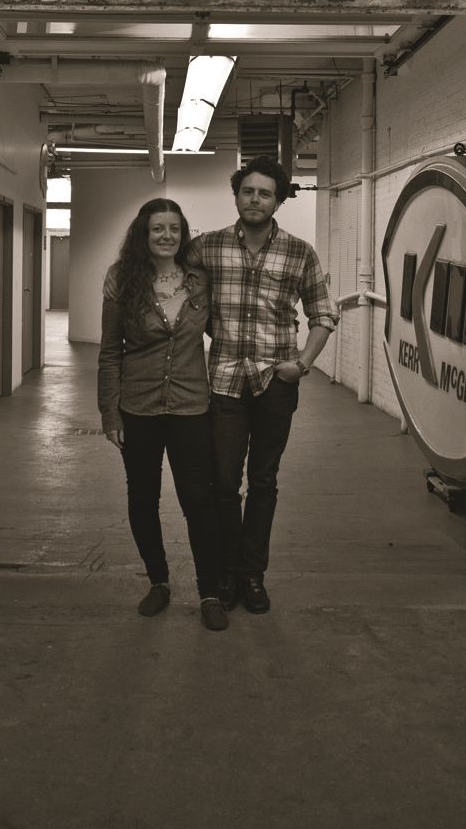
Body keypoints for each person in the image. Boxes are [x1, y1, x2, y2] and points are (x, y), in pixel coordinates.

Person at [187, 155, 336, 615]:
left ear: (278, 201)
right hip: (225, 381)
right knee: (224, 484)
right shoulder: (205, 248)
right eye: (248, 191)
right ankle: (227, 574)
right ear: (236, 196)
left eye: (265, 193)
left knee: (265, 482)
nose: (255, 199)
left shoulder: (299, 252)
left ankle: (253, 575)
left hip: (276, 381)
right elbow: (180, 296)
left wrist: (302, 364)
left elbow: (323, 314)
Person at [97, 198, 230, 632]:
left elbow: (225, 333)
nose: (166, 235)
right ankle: (158, 583)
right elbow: (109, 352)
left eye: (174, 228)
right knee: (143, 498)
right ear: (143, 233)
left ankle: (209, 591)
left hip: (192, 406)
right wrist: (109, 413)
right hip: (138, 407)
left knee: (199, 501)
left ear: (183, 233)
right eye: (158, 228)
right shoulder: (122, 280)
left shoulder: (199, 282)